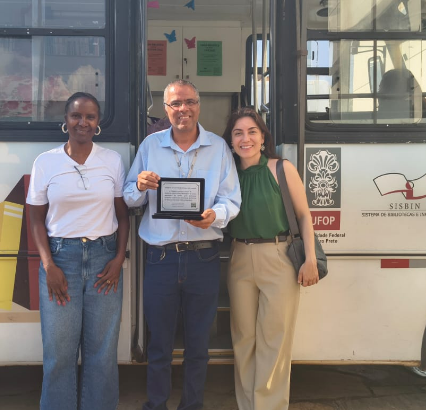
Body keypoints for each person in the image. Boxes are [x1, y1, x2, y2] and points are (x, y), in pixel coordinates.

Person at [124, 80, 241, 410]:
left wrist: (213, 217)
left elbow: (231, 200)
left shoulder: (218, 148)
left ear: (199, 106)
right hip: (160, 259)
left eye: (189, 102)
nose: (183, 109)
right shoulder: (150, 146)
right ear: (166, 109)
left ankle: (192, 405)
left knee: (197, 346)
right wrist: (140, 185)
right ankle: (156, 404)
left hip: (203, 259)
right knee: (159, 344)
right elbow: (129, 197)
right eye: (175, 104)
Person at [26, 92, 129, 410]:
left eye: (90, 117)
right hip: (61, 260)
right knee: (59, 352)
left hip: (104, 260)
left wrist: (118, 259)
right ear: (65, 121)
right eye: (76, 116)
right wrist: (49, 265)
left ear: (98, 123)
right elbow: (35, 219)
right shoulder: (46, 162)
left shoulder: (111, 160)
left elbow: (123, 216)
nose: (83, 122)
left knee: (102, 351)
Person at [223, 107, 319, 410]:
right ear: (231, 140)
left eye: (252, 131)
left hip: (278, 257)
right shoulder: (227, 176)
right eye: (238, 133)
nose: (245, 138)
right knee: (243, 340)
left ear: (263, 138)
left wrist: (311, 259)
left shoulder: (281, 169)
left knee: (274, 340)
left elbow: (304, 216)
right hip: (238, 257)